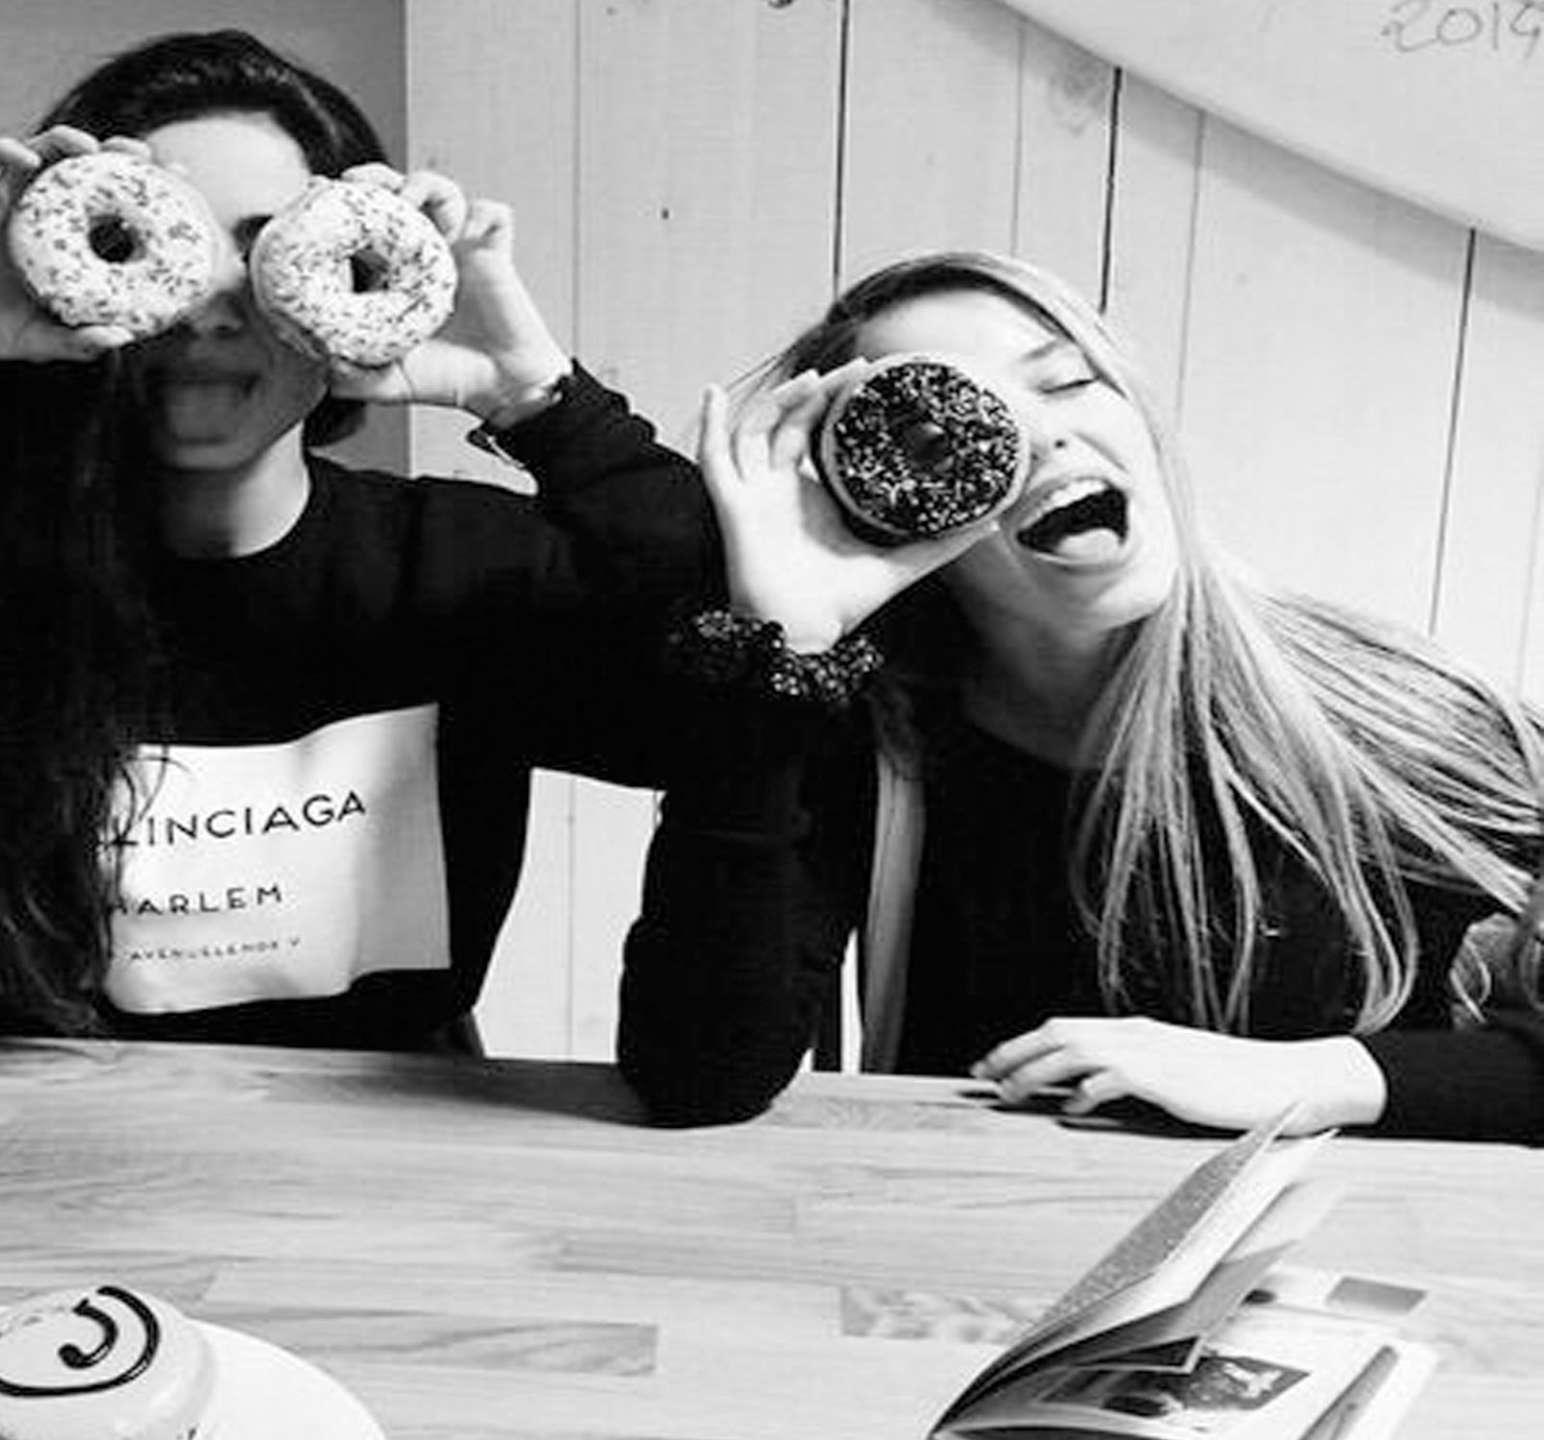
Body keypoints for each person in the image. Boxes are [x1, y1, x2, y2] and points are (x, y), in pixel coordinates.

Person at [0, 30, 717, 1052]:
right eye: (152, 243)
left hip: (392, 1150)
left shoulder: (460, 576)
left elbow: (752, 667)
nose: (204, 306)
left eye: (263, 250)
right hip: (15, 1156)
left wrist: (540, 399)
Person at [615, 249, 1544, 1141]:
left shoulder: (1398, 718)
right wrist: (777, 653)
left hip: (1341, 1242)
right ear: (883, 511)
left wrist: (1315, 1077)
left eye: (1064, 382)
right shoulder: (877, 743)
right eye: (939, 435)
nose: (1037, 436)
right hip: (976, 1238)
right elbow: (697, 1077)